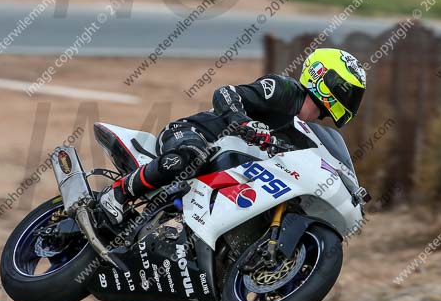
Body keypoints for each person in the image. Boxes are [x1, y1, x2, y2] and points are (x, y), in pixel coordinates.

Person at [99, 48, 367, 225]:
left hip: (225, 173)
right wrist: (242, 121)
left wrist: (348, 193)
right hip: (193, 134)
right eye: (347, 91)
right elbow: (226, 93)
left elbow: (320, 163)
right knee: (192, 156)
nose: (349, 99)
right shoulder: (283, 90)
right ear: (324, 77)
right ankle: (118, 193)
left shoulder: (304, 133)